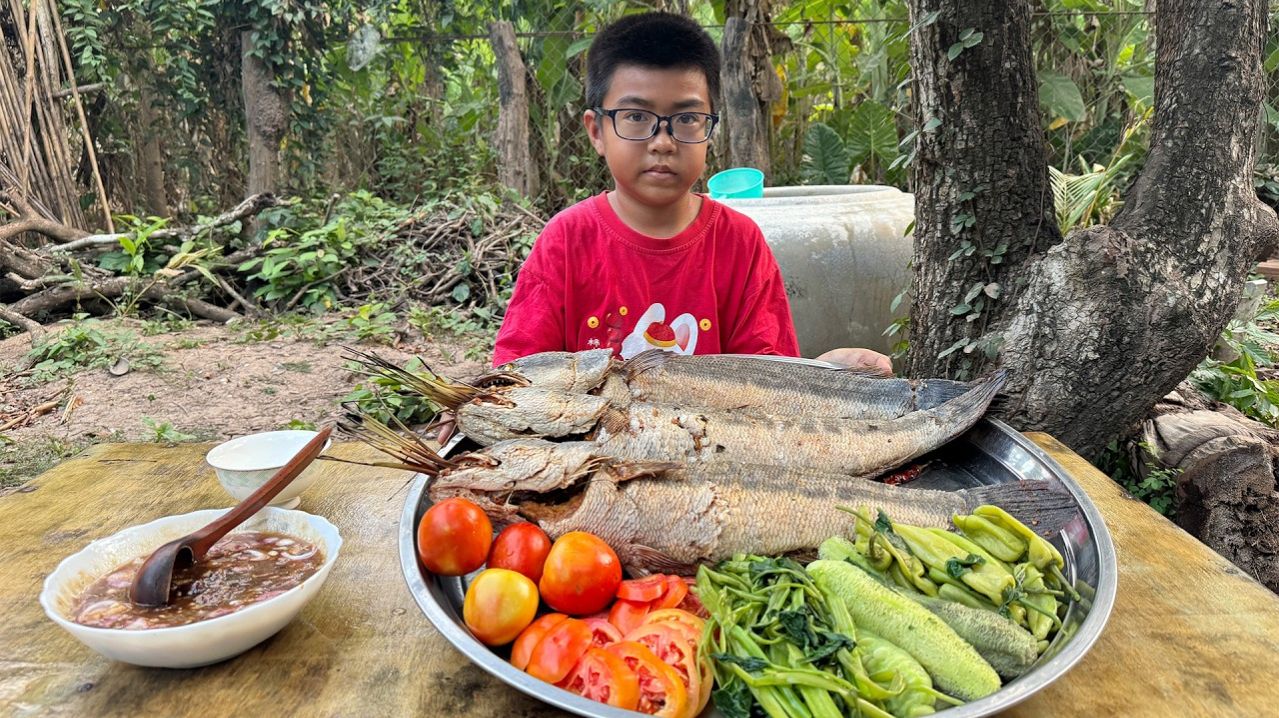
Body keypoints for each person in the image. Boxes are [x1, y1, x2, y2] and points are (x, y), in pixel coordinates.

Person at [491, 11, 891, 376]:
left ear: (709, 128)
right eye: (636, 116)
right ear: (597, 130)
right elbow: (518, 379)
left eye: (686, 118)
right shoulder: (565, 241)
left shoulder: (740, 243)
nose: (662, 142)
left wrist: (825, 372)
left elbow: (766, 379)